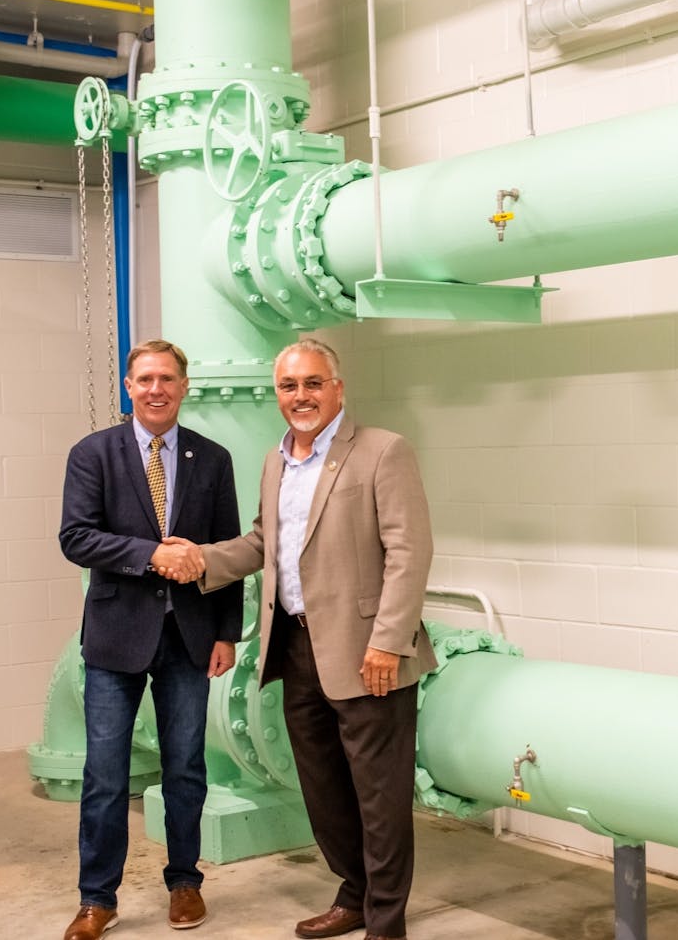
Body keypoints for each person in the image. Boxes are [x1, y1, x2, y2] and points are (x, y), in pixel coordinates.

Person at [181, 337, 435, 940]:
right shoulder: (277, 460)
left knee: (379, 795)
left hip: (367, 650)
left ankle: (386, 921)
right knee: (322, 788)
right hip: (295, 647)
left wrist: (388, 641)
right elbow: (264, 542)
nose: (302, 396)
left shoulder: (381, 451)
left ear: (338, 389)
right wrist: (201, 561)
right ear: (278, 396)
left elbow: (409, 550)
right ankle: (354, 893)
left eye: (313, 383)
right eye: (290, 386)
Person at [57, 340, 242, 940]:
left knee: (186, 766)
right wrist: (151, 554)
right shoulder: (93, 455)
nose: (156, 388)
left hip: (190, 637)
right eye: (145, 379)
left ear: (184, 386)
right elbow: (76, 538)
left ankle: (185, 883)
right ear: (128, 389)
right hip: (116, 637)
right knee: (106, 774)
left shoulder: (211, 459)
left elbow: (228, 551)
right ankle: (97, 898)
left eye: (167, 378)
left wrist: (227, 633)